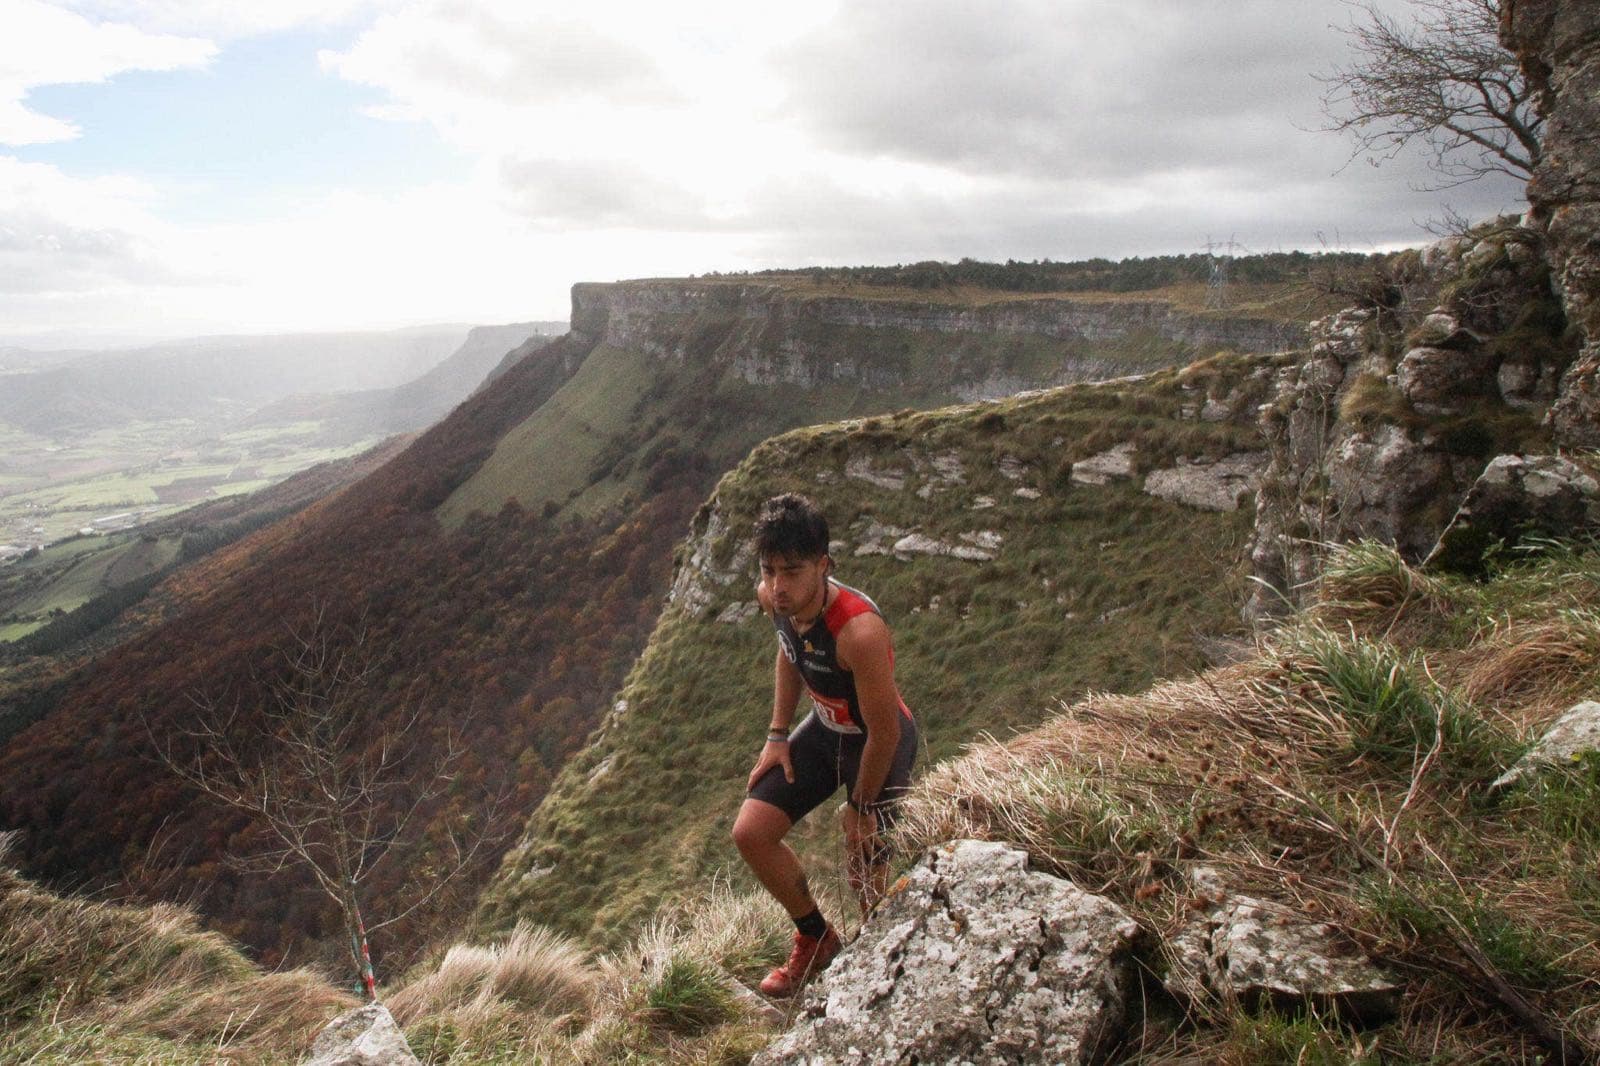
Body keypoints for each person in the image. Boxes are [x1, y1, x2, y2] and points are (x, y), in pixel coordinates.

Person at [731, 493, 919, 997]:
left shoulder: (859, 631)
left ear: (824, 565)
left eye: (792, 572)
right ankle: (817, 938)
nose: (778, 586)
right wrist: (777, 734)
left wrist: (861, 807)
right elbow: (790, 653)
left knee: (864, 866)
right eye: (769, 570)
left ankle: (884, 966)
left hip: (876, 742)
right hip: (825, 730)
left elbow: (885, 732)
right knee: (751, 833)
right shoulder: (774, 599)